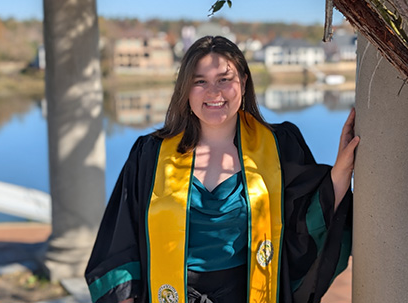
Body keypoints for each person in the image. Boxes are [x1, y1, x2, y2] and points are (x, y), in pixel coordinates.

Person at [85, 35, 359, 303]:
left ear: (243, 81)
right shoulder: (150, 156)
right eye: (200, 82)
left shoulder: (278, 147)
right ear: (184, 89)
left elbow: (308, 220)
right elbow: (121, 242)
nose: (213, 92)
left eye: (224, 80)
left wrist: (342, 170)